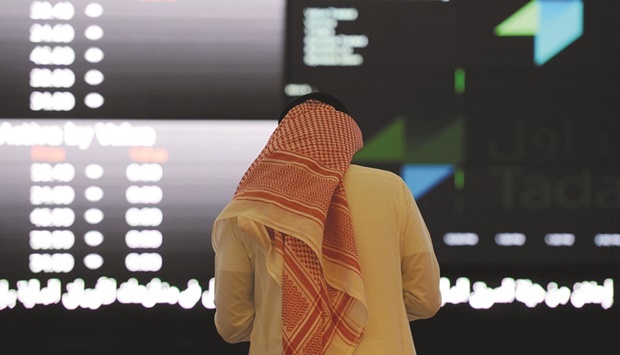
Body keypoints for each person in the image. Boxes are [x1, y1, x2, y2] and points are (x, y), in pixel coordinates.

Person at [211, 92, 442, 354]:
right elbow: (426, 300)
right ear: (346, 136)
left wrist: (285, 322)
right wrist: (373, 317)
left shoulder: (248, 206)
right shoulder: (391, 189)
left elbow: (232, 324)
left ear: (282, 140)